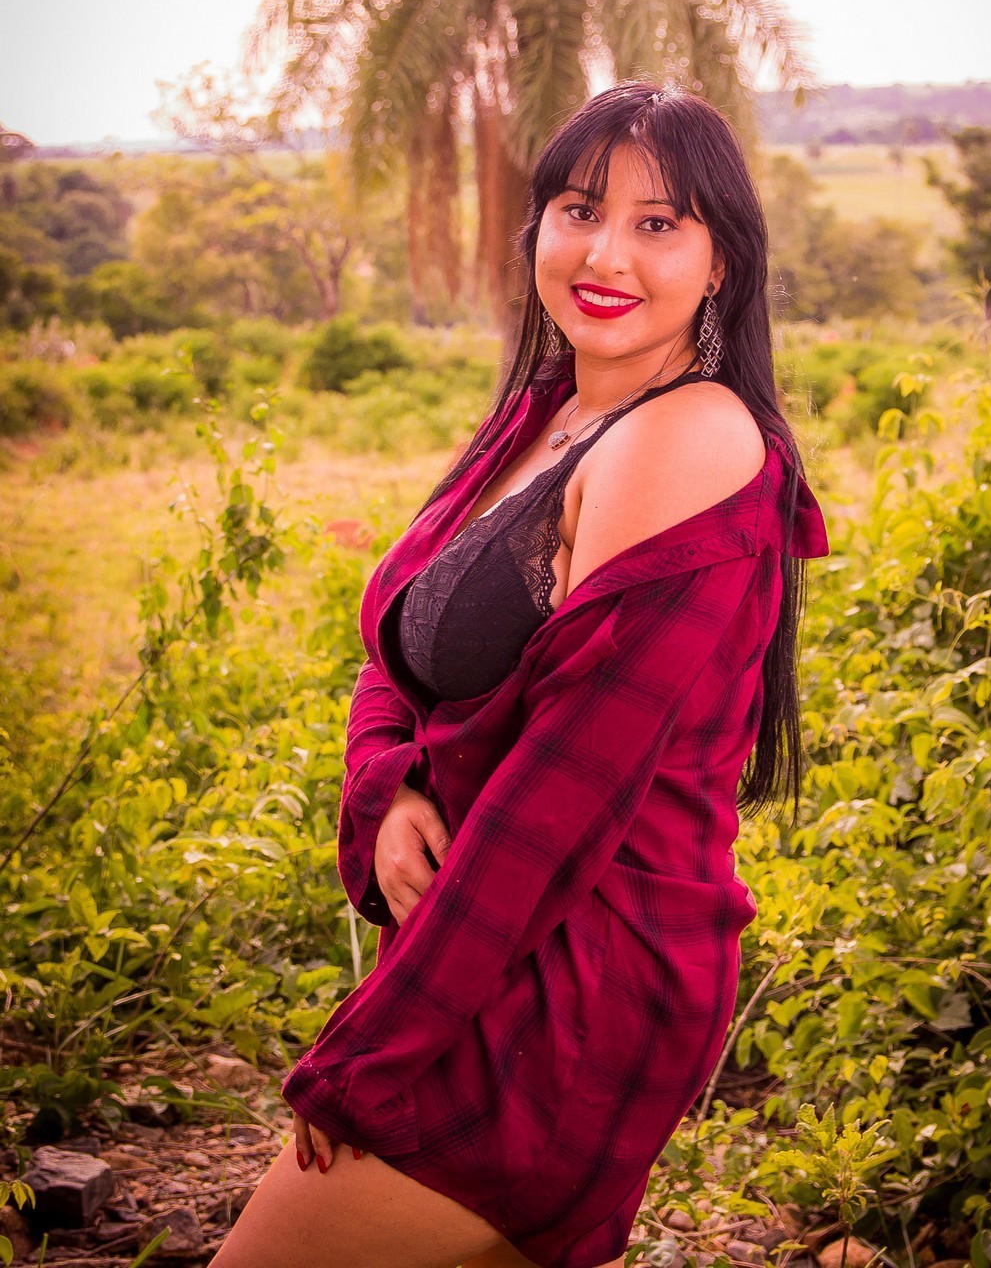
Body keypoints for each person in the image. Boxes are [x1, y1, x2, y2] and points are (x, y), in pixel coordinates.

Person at [209, 82, 829, 1268]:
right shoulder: (551, 415)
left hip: (575, 982)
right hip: (488, 948)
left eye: (658, 223)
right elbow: (399, 634)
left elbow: (561, 797)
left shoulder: (685, 439)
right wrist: (389, 781)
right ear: (534, 224)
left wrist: (370, 1053)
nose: (604, 255)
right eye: (578, 209)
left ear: (721, 263)